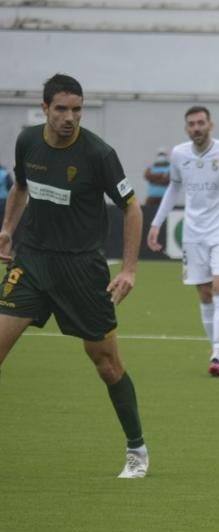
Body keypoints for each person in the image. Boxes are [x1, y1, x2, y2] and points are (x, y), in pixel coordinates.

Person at [0, 73, 150, 479]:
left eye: (77, 109)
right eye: (62, 109)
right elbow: (21, 187)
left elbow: (132, 208)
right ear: (45, 107)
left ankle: (137, 448)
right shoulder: (27, 141)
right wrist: (7, 231)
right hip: (31, 264)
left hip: (82, 271)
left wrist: (130, 270)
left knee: (105, 363)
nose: (70, 117)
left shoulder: (99, 154)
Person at [147, 105, 219, 377]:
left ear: (211, 125)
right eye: (191, 124)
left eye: (201, 123)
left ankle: (218, 353)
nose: (196, 128)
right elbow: (174, 187)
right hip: (194, 234)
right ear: (187, 128)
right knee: (205, 293)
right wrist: (156, 223)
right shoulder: (179, 154)